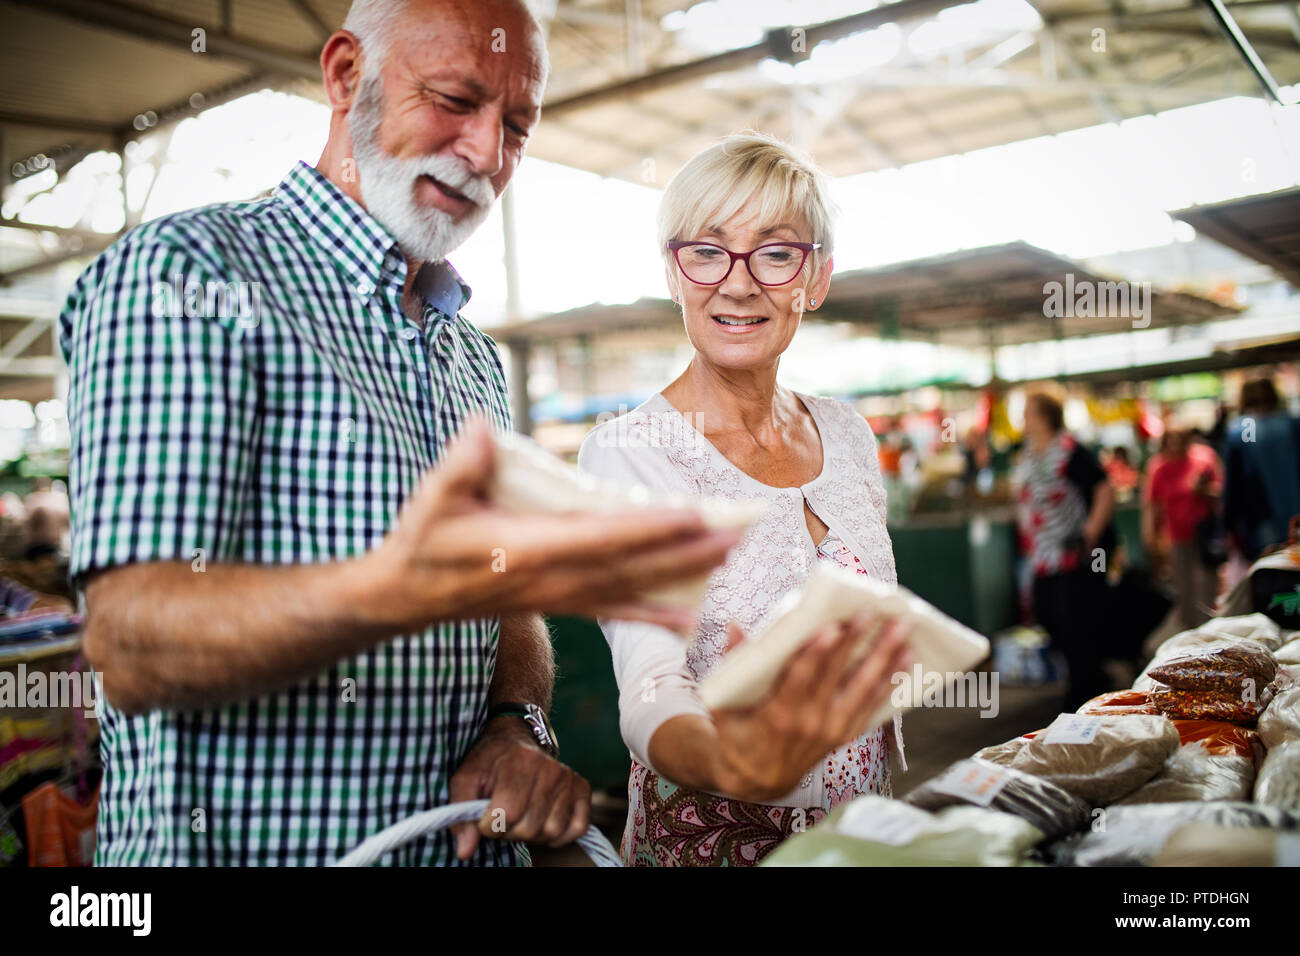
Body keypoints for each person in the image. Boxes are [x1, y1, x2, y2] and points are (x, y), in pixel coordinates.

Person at [57, 0, 743, 866]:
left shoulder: (472, 359)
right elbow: (133, 642)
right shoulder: (189, 277)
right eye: (455, 99)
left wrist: (515, 724)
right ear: (347, 75)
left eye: (518, 126)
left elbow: (505, 606)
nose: (488, 153)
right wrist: (395, 589)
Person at [578, 133, 913, 867]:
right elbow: (651, 686)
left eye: (774, 251)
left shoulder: (848, 434)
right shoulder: (630, 452)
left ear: (815, 278)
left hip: (861, 842)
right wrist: (730, 764)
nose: (737, 283)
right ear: (674, 273)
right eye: (707, 250)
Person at [1015, 391, 1116, 710]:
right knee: (1048, 615)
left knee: (1075, 620)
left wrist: (1090, 533)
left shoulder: (1070, 451)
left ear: (1045, 417)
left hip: (1073, 553)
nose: (1023, 420)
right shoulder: (1030, 454)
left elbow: (1104, 489)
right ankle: (1088, 678)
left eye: (1028, 413)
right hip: (1042, 555)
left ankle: (1085, 688)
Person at [1142, 424, 1223, 628]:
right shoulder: (1158, 467)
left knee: (1207, 582)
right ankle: (1189, 630)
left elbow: (1222, 491)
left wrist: (1203, 490)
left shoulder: (1205, 458)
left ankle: (1210, 626)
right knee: (1183, 585)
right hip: (1176, 534)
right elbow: (1153, 505)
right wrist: (1151, 536)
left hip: (1204, 531)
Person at [1222, 377, 1300, 562]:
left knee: (1273, 579)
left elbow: (1236, 484)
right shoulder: (1292, 423)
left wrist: (1229, 524)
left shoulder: (1244, 429)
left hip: (1263, 524)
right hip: (1296, 519)